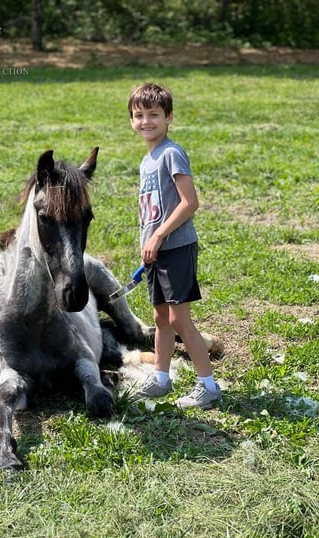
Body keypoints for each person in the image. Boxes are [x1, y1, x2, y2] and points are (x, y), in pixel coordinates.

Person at [127, 83, 222, 409]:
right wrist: (147, 242)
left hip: (176, 248)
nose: (145, 121)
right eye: (138, 115)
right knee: (160, 318)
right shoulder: (147, 160)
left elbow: (189, 202)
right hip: (156, 251)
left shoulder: (171, 153)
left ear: (169, 118)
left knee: (180, 320)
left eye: (153, 114)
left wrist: (158, 236)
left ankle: (208, 385)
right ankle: (161, 378)